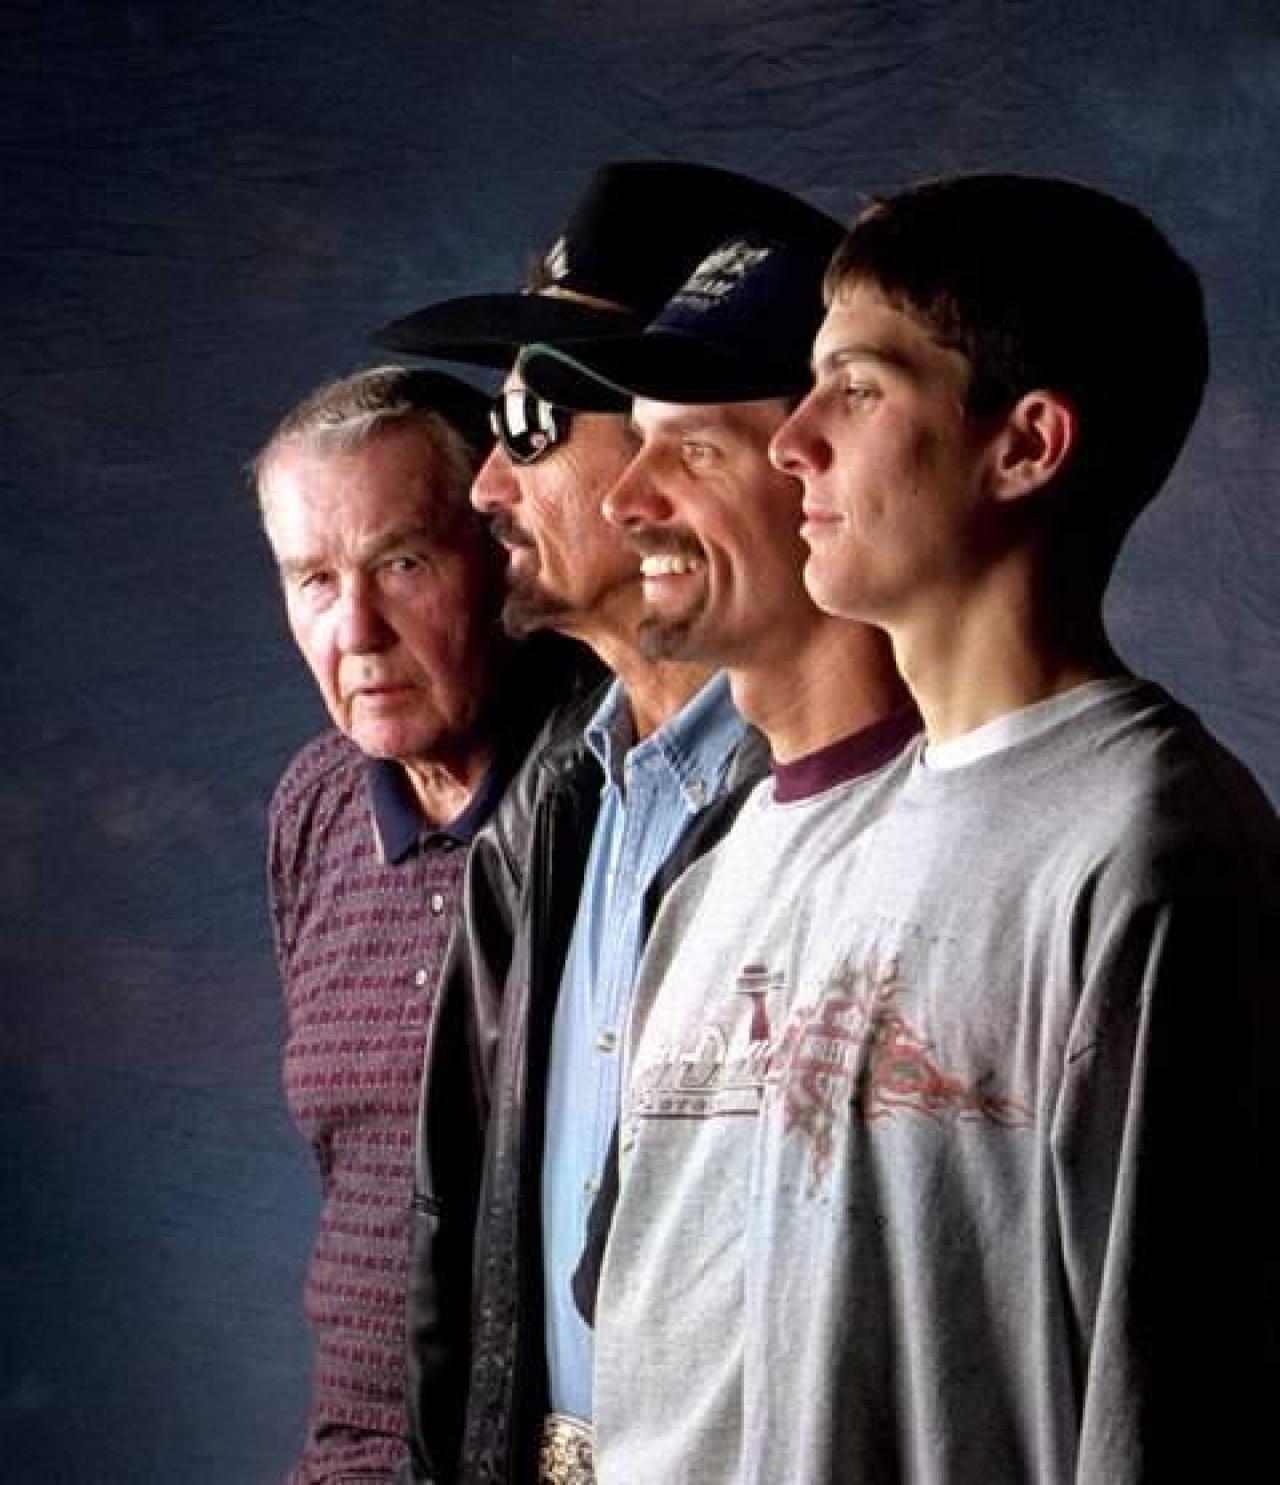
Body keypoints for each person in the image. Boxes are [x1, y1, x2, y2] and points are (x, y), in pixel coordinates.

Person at [643, 171, 1280, 1483]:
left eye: (857, 389)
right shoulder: (813, 848)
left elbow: (1176, 1399)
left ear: (1026, 445)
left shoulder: (1152, 854)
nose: (792, 440)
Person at [374, 163, 844, 1484]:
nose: (484, 489)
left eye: (529, 424)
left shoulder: (839, 805)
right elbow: (458, 1247)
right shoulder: (545, 803)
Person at [519, 226, 917, 1485]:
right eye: (633, 442)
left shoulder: (972, 850)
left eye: (692, 448)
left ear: (820, 466)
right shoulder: (705, 876)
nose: (625, 499)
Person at [256, 366, 568, 1484]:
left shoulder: (601, 789)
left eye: (402, 564)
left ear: (497, 555)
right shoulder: (315, 805)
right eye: (313, 580)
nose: (357, 630)